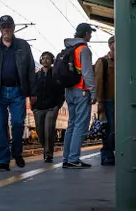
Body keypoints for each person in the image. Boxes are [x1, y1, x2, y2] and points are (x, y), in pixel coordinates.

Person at [0, 14, 36, 172]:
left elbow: (31, 69)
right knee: (0, 127)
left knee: (18, 123)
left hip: (18, 90)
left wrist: (33, 93)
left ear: (13, 28)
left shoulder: (23, 46)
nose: (6, 29)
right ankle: (4, 161)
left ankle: (16, 152)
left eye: (9, 26)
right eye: (3, 27)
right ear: (0, 29)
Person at [61, 23, 96, 168]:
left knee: (71, 125)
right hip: (81, 91)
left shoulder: (70, 48)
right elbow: (87, 73)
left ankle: (67, 158)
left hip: (69, 91)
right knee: (80, 125)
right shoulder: (84, 50)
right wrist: (93, 92)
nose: (91, 36)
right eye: (90, 33)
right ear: (86, 33)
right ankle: (73, 158)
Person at [30, 51, 64, 163]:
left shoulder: (55, 76)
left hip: (51, 107)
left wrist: (58, 106)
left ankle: (49, 154)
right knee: (40, 133)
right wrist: (33, 106)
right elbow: (31, 91)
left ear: (52, 61)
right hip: (38, 108)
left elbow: (61, 91)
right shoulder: (35, 76)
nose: (45, 60)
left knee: (49, 129)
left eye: (48, 58)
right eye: (43, 58)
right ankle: (46, 149)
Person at [94, 36, 116, 165]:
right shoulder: (103, 62)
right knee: (109, 130)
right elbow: (99, 82)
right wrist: (100, 102)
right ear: (111, 45)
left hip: (122, 103)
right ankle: (106, 154)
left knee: (118, 130)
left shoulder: (124, 62)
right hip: (108, 101)